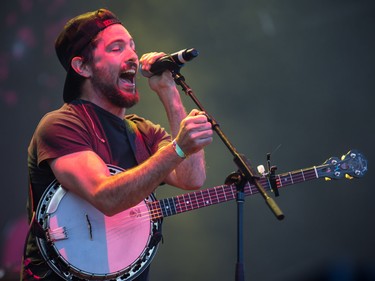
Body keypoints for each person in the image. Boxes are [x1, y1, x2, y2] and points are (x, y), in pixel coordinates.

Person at [21, 8, 213, 281]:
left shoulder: (144, 132)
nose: (133, 56)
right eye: (116, 48)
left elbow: (191, 178)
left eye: (132, 46)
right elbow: (106, 197)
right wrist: (179, 147)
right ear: (82, 67)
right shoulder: (61, 124)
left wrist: (168, 90)